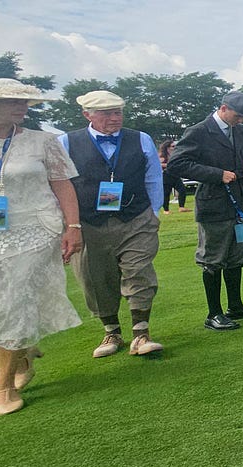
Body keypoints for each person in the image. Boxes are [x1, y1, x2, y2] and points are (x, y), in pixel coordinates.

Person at [0, 79, 83, 415]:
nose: (22, 107)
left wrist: (73, 228)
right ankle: (22, 354)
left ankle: (3, 386)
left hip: (36, 229)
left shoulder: (42, 142)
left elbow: (63, 186)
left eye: (25, 102)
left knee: (13, 300)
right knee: (2, 302)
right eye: (13, 101)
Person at [57, 89, 165, 358]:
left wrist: (154, 212)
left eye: (118, 112)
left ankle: (141, 333)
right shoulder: (65, 143)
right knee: (95, 277)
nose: (114, 118)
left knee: (139, 270)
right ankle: (112, 331)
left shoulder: (141, 139)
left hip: (136, 217)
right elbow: (60, 185)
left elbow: (153, 177)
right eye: (106, 113)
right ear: (87, 115)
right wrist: (68, 225)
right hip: (89, 222)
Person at [168, 91, 243, 331]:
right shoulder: (198, 132)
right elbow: (177, 164)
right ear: (224, 108)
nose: (242, 121)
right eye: (238, 116)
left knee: (238, 254)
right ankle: (213, 313)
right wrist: (216, 174)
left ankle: (235, 306)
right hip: (214, 205)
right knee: (213, 258)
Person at [158, 139, 189, 214]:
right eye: (173, 146)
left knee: (182, 190)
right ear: (167, 147)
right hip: (166, 176)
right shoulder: (162, 156)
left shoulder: (175, 155)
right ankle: (166, 210)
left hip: (175, 175)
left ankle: (181, 207)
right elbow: (158, 165)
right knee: (166, 194)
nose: (175, 147)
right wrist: (168, 165)